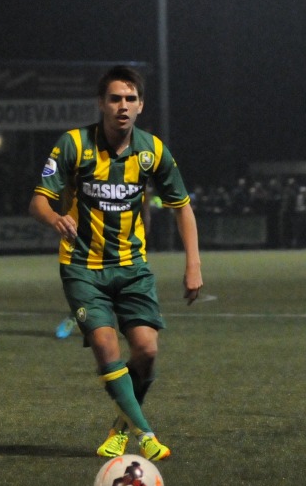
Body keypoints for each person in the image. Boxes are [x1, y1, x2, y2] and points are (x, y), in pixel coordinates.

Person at [29, 65, 203, 462]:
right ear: (101, 104)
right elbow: (37, 200)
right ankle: (145, 434)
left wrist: (193, 264)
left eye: (130, 99)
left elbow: (182, 207)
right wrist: (54, 217)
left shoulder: (153, 151)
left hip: (132, 267)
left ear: (140, 105)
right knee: (107, 347)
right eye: (114, 99)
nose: (122, 107)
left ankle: (120, 429)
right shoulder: (74, 144)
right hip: (82, 267)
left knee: (147, 350)